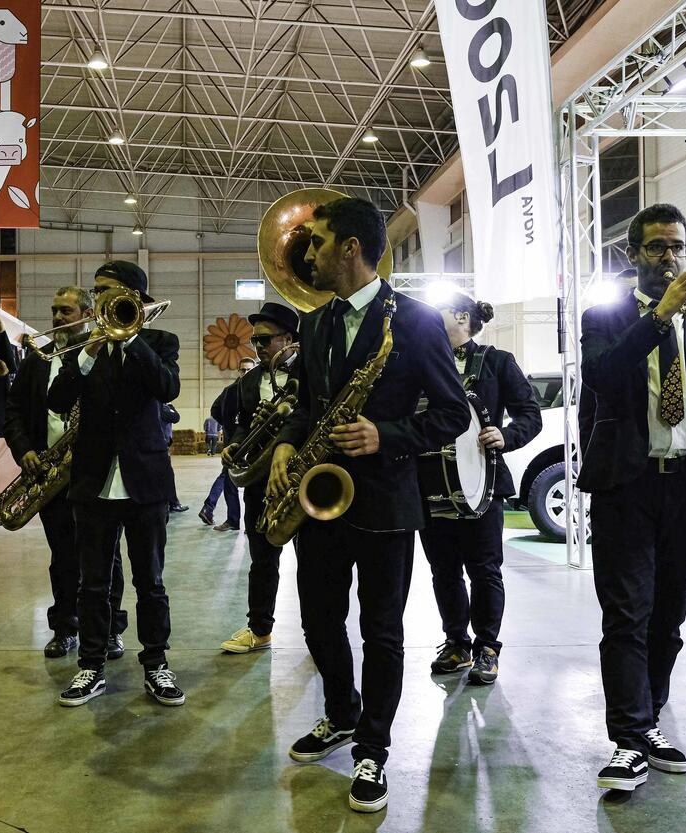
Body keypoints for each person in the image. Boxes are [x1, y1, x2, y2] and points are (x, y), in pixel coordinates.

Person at [267, 197, 469, 814]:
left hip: (384, 500)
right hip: (320, 498)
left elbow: (453, 413)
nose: (309, 253)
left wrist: (389, 436)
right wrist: (285, 444)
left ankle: (373, 752)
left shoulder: (414, 322)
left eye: (318, 242)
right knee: (319, 622)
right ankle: (340, 713)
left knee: (382, 633)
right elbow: (306, 403)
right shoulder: (318, 321)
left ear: (351, 248)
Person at [579, 203, 686, 792]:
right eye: (656, 247)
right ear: (634, 255)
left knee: (669, 614)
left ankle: (648, 720)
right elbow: (601, 375)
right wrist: (660, 316)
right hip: (628, 482)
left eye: (678, 244)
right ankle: (628, 738)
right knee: (627, 612)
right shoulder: (605, 316)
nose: (669, 256)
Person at [49, 260, 185, 708]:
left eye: (106, 290)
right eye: (97, 291)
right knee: (92, 584)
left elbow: (167, 388)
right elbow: (57, 399)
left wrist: (131, 340)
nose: (98, 298)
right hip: (93, 482)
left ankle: (157, 665)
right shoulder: (82, 349)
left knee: (152, 582)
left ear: (132, 296)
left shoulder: (161, 341)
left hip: (145, 481)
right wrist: (89, 350)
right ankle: (91, 666)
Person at [420, 293, 541, 684]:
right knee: (443, 571)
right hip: (430, 482)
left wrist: (506, 435)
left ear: (460, 316)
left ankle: (487, 647)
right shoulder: (422, 362)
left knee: (485, 569)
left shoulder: (497, 361)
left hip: (483, 483)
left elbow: (530, 414)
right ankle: (456, 642)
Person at [3, 285, 128, 659]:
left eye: (66, 312)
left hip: (98, 472)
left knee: (108, 557)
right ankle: (65, 627)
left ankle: (109, 630)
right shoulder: (38, 359)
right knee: (63, 557)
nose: (57, 318)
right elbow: (13, 410)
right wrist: (24, 448)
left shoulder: (106, 354)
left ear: (88, 315)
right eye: (54, 310)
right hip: (51, 472)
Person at [219, 302, 299, 653]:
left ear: (288, 339)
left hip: (301, 477)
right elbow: (240, 422)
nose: (259, 346)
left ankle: (324, 631)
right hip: (260, 480)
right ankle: (260, 629)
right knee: (262, 560)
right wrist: (235, 444)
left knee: (316, 562)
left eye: (266, 339)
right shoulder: (249, 381)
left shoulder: (311, 373)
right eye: (256, 340)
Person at [199, 356, 255, 530]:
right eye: (243, 369)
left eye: (249, 370)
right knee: (229, 482)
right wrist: (231, 425)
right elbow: (215, 410)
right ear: (238, 371)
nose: (245, 373)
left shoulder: (261, 387)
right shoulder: (229, 391)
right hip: (233, 444)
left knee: (254, 487)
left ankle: (252, 525)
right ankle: (232, 520)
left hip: (256, 444)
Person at [160, 402, 189, 514]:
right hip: (160, 446)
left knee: (166, 476)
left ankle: (170, 503)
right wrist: (170, 406)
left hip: (163, 445)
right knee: (167, 476)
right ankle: (173, 504)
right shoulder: (161, 407)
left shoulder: (163, 406)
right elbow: (175, 417)